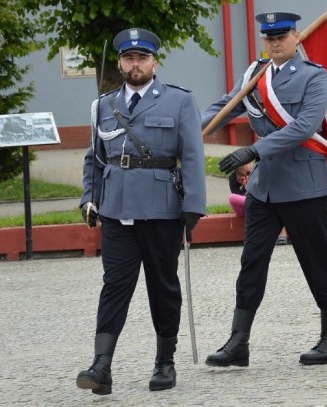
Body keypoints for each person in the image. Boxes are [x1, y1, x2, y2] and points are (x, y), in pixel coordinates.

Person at [200, 11, 327, 367]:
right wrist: (185, 132)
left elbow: (305, 126)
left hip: (304, 184)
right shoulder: (254, 74)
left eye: (281, 36)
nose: (275, 43)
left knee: (316, 260)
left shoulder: (315, 76)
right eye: (269, 38)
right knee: (251, 262)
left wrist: (254, 150)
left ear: (296, 37)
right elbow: (224, 106)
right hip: (264, 189)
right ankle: (238, 342)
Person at [76, 28, 207, 395]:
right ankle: (102, 365)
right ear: (120, 63)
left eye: (142, 58)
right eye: (129, 59)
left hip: (162, 208)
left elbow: (193, 155)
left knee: (162, 286)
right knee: (115, 285)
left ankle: (165, 362)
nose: (136, 65)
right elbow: (95, 158)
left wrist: (193, 204)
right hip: (116, 210)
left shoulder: (179, 100)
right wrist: (90, 197)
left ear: (154, 62)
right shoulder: (103, 105)